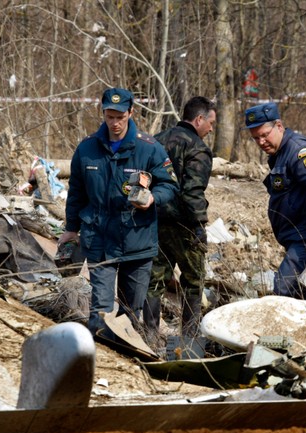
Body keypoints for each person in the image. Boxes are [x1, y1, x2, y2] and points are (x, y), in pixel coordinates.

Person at [59, 87, 179, 337]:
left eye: (120, 117)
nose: (114, 123)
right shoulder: (87, 149)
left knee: (131, 311)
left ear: (131, 113)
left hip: (137, 239)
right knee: (101, 310)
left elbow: (170, 185)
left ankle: (127, 361)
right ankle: (99, 358)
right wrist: (71, 229)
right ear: (103, 113)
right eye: (110, 116)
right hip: (99, 238)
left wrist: (152, 199)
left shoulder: (149, 148)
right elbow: (77, 192)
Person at [244, 102, 306, 298]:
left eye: (265, 135)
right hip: (299, 236)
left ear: (279, 126)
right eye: (256, 138)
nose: (261, 142)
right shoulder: (280, 154)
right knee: (304, 295)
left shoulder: (300, 151)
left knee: (284, 290)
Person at [143, 96, 216, 347]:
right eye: (210, 122)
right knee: (193, 280)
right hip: (184, 225)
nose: (211, 128)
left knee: (154, 279)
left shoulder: (157, 140)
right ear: (198, 119)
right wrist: (198, 227)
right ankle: (190, 339)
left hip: (153, 220)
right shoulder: (198, 148)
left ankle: (149, 336)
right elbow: (192, 192)